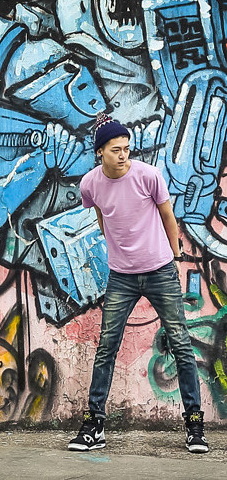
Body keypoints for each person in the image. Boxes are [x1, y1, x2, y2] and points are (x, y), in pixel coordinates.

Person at [67, 114, 208, 453]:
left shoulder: (148, 175)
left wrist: (175, 255)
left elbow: (167, 215)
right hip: (121, 277)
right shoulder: (90, 184)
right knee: (107, 347)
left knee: (181, 344)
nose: (123, 155)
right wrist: (118, 248)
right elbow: (101, 215)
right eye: (115, 150)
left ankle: (194, 425)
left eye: (126, 149)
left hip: (159, 271)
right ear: (100, 152)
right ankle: (94, 425)